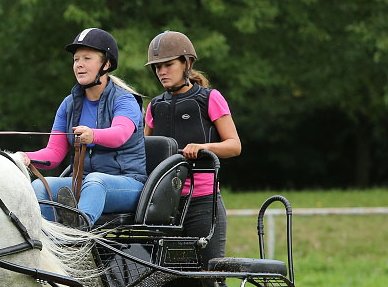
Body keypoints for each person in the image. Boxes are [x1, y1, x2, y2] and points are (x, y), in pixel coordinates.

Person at [19, 28, 146, 228]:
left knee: (95, 182)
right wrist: (23, 157)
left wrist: (92, 135)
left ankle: (77, 234)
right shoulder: (69, 104)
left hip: (128, 183)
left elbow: (120, 134)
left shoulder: (124, 100)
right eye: (76, 60)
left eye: (87, 58)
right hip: (84, 183)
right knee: (40, 187)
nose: (79, 65)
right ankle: (50, 243)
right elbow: (53, 153)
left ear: (106, 64)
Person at [144, 30, 242, 271]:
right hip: (165, 205)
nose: (162, 72)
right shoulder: (155, 106)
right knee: (170, 279)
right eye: (157, 67)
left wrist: (204, 148)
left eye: (168, 65)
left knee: (210, 277)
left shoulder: (210, 98)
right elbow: (143, 151)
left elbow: (234, 145)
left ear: (186, 64)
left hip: (203, 202)